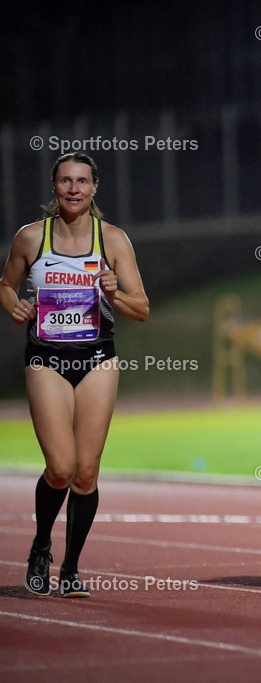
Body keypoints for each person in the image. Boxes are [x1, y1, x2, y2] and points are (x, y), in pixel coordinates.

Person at [0, 152, 149, 598]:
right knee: (61, 468)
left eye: (82, 181)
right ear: (54, 187)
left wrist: (114, 291)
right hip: (47, 358)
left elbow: (141, 307)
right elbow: (6, 284)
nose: (73, 189)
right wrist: (16, 307)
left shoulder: (114, 241)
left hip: (98, 358)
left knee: (86, 474)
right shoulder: (31, 238)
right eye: (66, 181)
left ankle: (71, 567)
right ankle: (41, 546)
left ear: (94, 188)